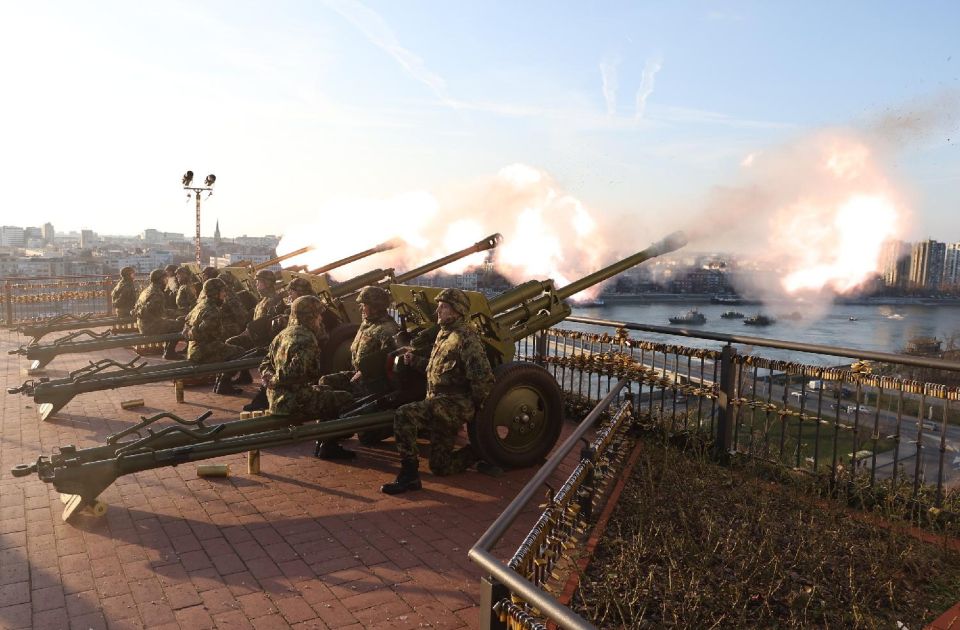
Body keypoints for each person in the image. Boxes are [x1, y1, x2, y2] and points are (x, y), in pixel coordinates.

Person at [381, 288, 496, 495]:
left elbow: (482, 378)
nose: (438, 311)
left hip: (454, 404)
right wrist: (414, 360)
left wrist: (476, 411)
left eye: (443, 307)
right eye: (439, 307)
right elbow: (438, 369)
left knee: (404, 414)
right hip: (438, 401)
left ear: (457, 311)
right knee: (441, 467)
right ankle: (480, 452)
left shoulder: (466, 338)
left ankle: (409, 476)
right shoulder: (444, 334)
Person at [317, 285, 400, 459]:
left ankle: (334, 432)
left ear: (375, 306)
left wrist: (366, 371)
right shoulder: (367, 325)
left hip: (374, 383)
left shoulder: (387, 330)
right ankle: (329, 432)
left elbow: (391, 359)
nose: (360, 307)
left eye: (364, 304)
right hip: (358, 375)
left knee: (366, 437)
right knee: (326, 381)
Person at [259, 295, 353, 424]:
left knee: (325, 390)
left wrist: (268, 377)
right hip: (294, 402)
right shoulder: (306, 338)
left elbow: (265, 363)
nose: (321, 319)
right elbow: (294, 373)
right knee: (345, 398)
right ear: (310, 317)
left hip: (277, 399)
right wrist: (274, 381)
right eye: (318, 315)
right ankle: (327, 438)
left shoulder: (282, 335)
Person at [241, 275, 318, 412]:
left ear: (300, 293)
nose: (289, 294)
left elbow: (318, 337)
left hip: (303, 352)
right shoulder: (294, 308)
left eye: (292, 292)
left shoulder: (312, 311)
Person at [182, 278, 245, 394]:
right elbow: (206, 333)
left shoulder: (200, 305)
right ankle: (223, 384)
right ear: (214, 293)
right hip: (203, 351)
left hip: (195, 348)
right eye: (222, 291)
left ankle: (220, 383)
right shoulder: (212, 310)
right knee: (239, 352)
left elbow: (186, 329)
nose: (224, 294)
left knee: (227, 347)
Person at [132, 268, 185, 360]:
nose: (167, 280)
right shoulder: (157, 293)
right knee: (179, 325)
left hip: (143, 324)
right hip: (151, 326)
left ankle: (167, 350)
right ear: (160, 279)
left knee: (172, 323)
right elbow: (160, 313)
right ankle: (169, 353)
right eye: (165, 278)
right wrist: (179, 313)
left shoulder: (147, 290)